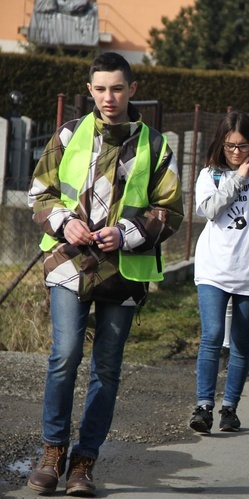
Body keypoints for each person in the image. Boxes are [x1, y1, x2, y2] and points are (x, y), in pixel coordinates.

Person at [26, 52, 183, 495]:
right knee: (64, 356)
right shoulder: (69, 134)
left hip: (124, 270)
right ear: (90, 90)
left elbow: (170, 209)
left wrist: (128, 233)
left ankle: (83, 463)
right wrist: (63, 221)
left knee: (107, 369)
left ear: (132, 89)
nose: (108, 97)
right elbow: (40, 193)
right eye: (100, 89)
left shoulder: (156, 143)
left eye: (117, 88)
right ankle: (52, 450)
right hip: (68, 262)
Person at [188, 111, 249, 434]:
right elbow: (210, 211)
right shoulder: (209, 175)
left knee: (241, 342)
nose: (237, 152)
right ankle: (204, 407)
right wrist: (236, 177)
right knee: (211, 335)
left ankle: (230, 409)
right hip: (214, 268)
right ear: (220, 143)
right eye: (230, 146)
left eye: (243, 146)